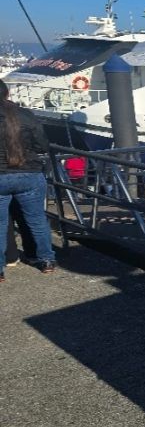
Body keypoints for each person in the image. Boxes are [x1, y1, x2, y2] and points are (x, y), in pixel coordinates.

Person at [0, 79, 56, 280]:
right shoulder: (25, 115)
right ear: (7, 93)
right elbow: (42, 145)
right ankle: (47, 260)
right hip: (29, 173)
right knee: (37, 220)